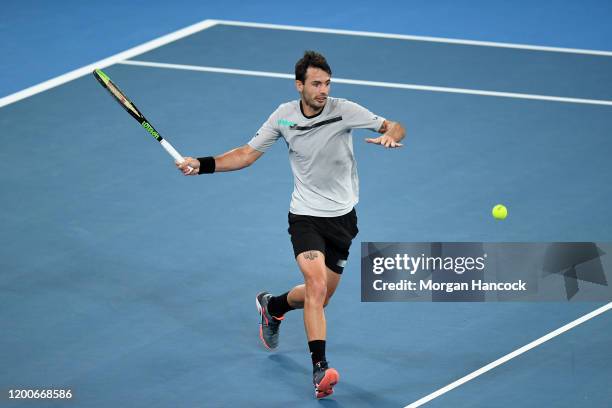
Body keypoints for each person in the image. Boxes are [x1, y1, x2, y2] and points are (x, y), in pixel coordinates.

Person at [177, 50, 405, 399]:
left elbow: (394, 124)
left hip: (343, 219)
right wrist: (203, 164)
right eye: (316, 84)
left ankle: (273, 306)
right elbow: (246, 154)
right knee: (314, 285)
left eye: (327, 83)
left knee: (322, 298)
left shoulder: (343, 110)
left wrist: (392, 135)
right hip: (305, 217)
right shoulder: (283, 118)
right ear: (299, 85)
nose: (323, 90)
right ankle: (319, 370)